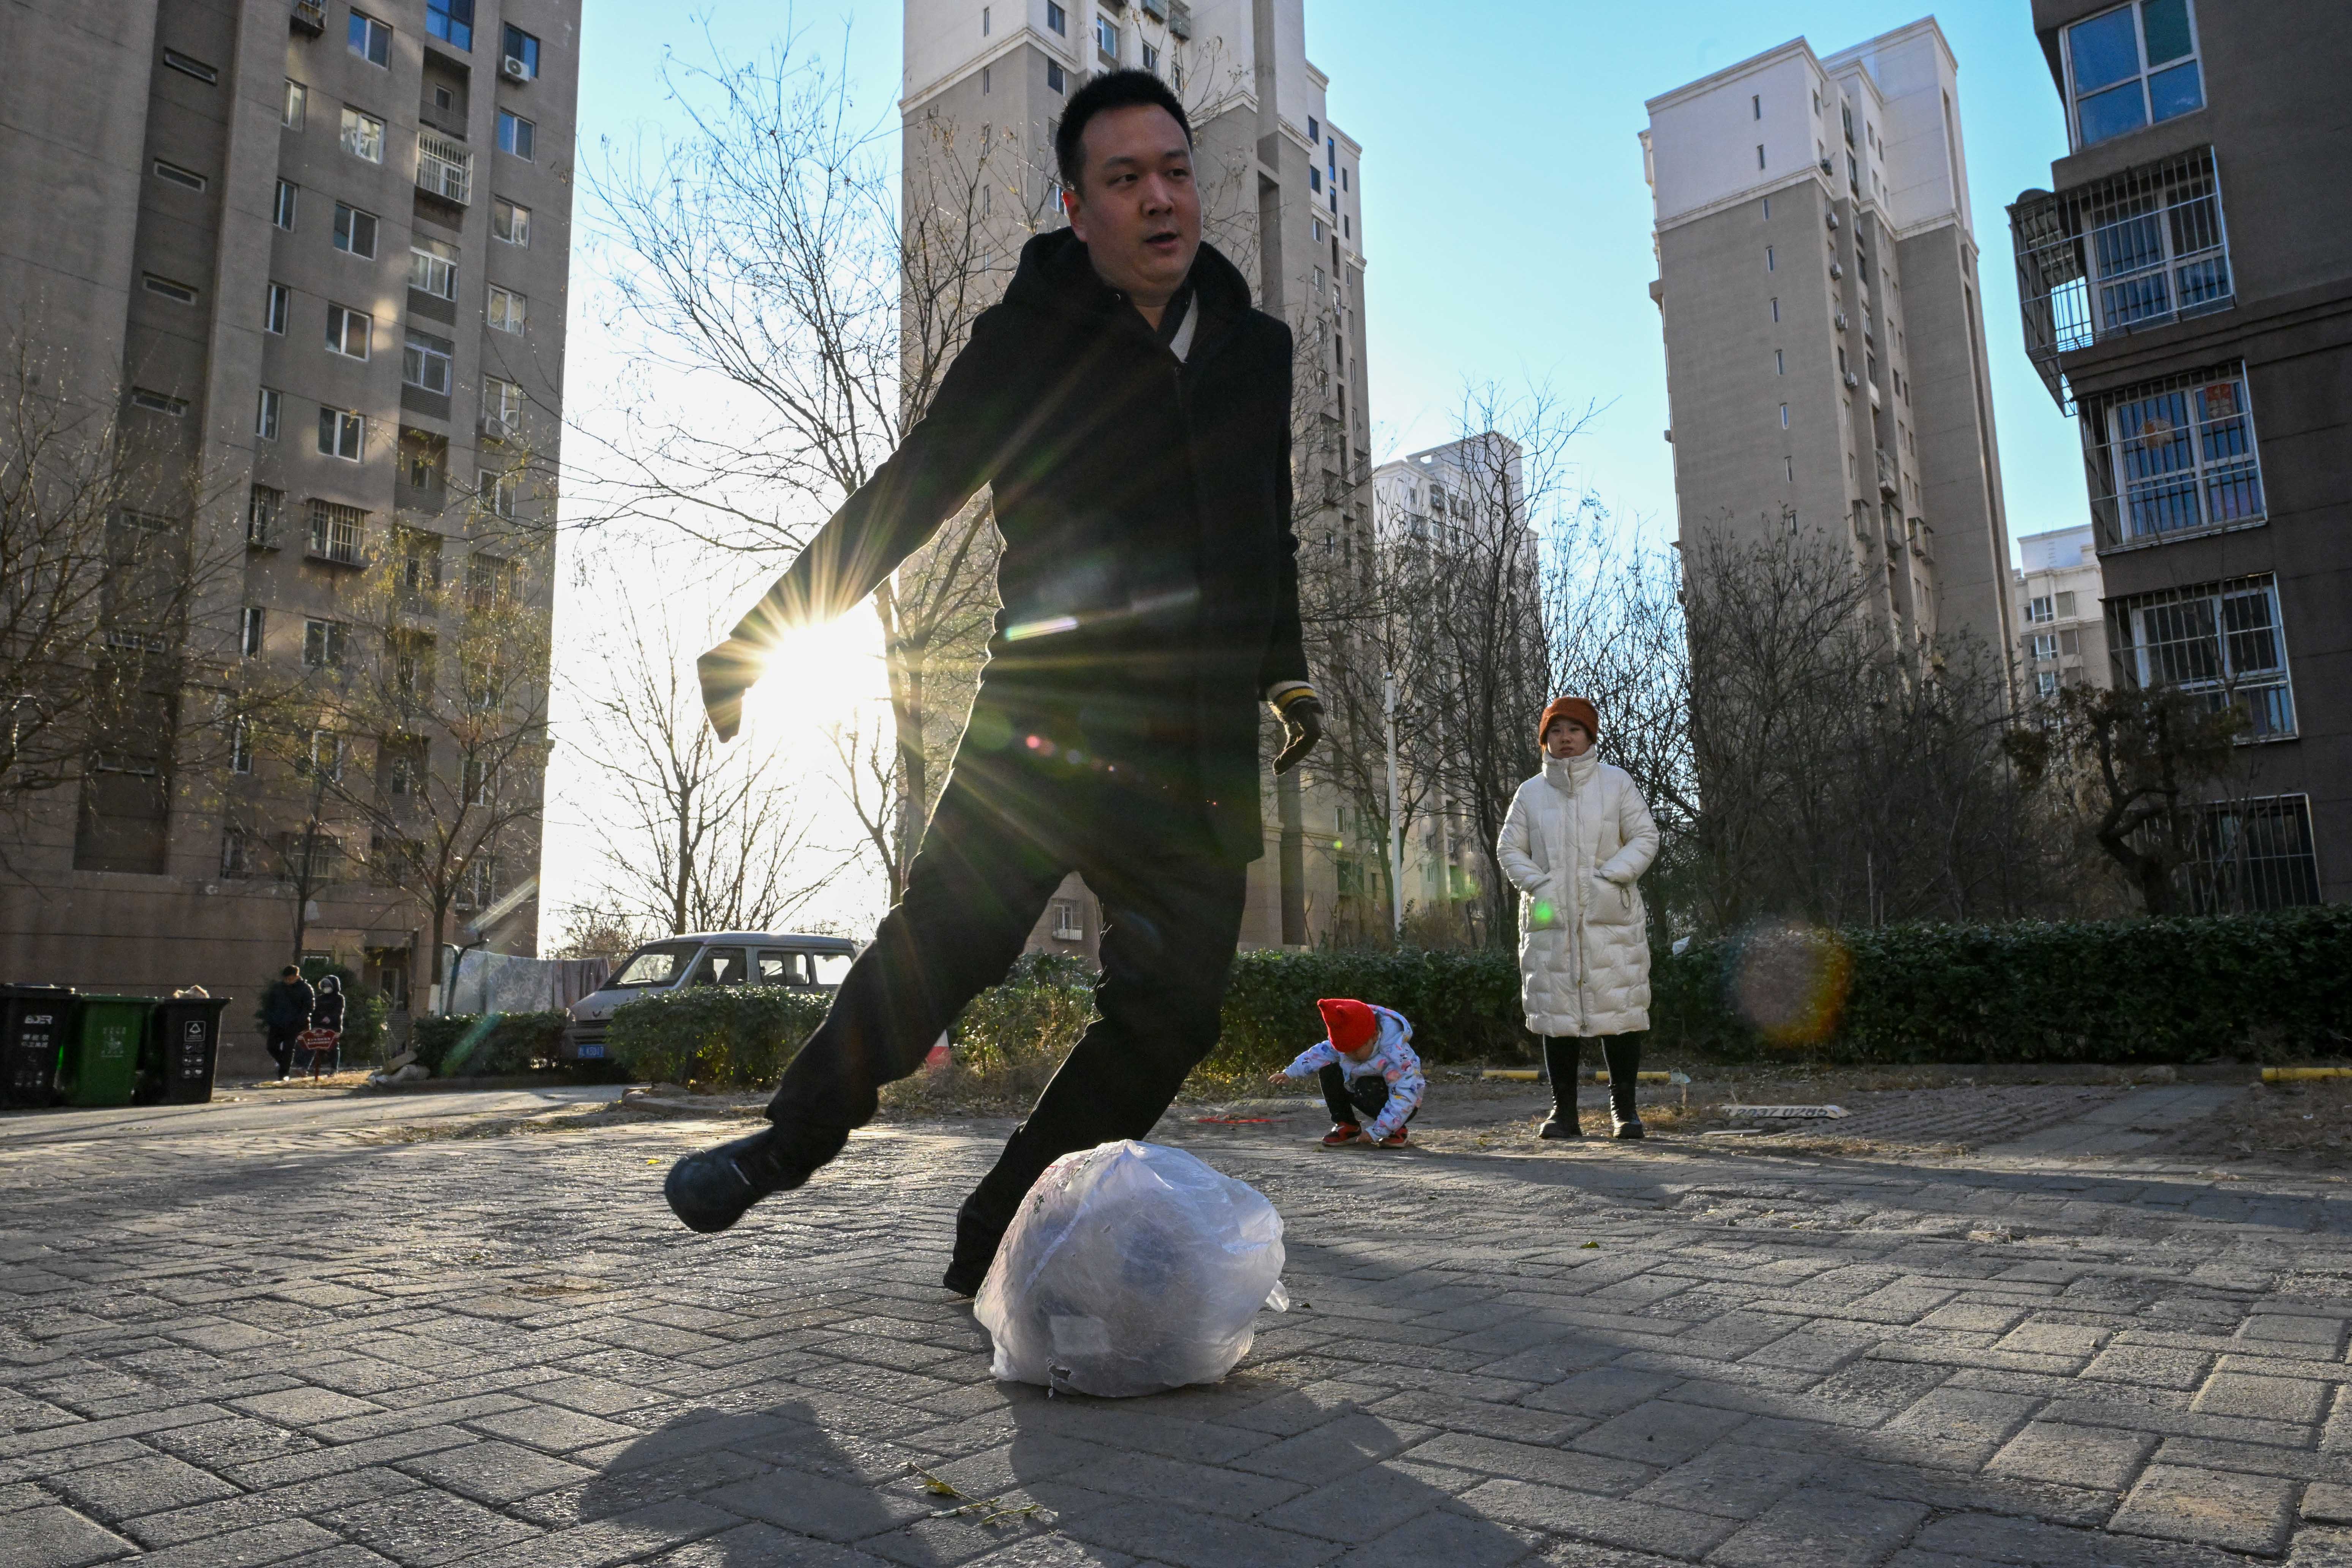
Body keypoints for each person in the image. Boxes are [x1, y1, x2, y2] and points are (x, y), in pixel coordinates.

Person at [665, 69, 1324, 1297]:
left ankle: (998, 1233)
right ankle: (786, 1139)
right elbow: (918, 486)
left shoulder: (1258, 351)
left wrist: (1287, 674)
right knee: (946, 941)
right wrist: (766, 632)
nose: (1161, 200)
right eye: (1125, 180)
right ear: (1078, 209)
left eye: (1176, 171)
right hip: (1049, 718)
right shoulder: (1031, 340)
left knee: (1174, 1009)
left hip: (1190, 745)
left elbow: (1268, 528)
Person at [1497, 697, 1660, 1139]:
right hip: (1551, 919)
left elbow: (1645, 836)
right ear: (1545, 739)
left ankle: (1624, 1112)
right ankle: (1563, 1114)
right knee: (1557, 1015)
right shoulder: (1530, 793)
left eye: (1574, 730)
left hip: (1611, 917)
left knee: (1621, 1012)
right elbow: (1509, 848)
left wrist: (1612, 877)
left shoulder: (1616, 783)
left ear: (1590, 736)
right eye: (1556, 731)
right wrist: (1541, 885)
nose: (1564, 739)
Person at [1268, 997, 1425, 1148]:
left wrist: (1378, 1132)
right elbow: (1319, 1053)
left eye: (1355, 1051)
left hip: (1403, 1102)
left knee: (1367, 1084)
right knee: (1329, 1068)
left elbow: (1404, 1095)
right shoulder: (1347, 1045)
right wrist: (1290, 1072)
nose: (1350, 1056)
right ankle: (1347, 1124)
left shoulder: (1395, 1056)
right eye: (1345, 1052)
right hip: (1359, 1088)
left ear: (1375, 1036)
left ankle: (1396, 1130)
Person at [261, 965, 314, 1082]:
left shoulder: (305, 988)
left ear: (297, 976)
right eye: (286, 979)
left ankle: (284, 1074)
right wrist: (271, 1018)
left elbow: (309, 1007)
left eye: (290, 979)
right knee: (271, 1046)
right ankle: (286, 1066)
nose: (288, 981)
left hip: (294, 1025)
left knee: (288, 1049)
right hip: (277, 1023)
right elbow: (269, 1004)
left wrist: (299, 1020)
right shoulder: (278, 988)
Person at [310, 975, 346, 1076]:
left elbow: (339, 1011)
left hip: (334, 1026)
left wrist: (330, 1018)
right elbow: (315, 1012)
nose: (326, 988)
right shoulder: (320, 999)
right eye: (324, 986)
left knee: (334, 1047)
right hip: (320, 1027)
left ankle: (334, 1069)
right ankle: (316, 1068)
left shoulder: (339, 998)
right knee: (319, 1047)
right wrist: (315, 1023)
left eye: (328, 986)